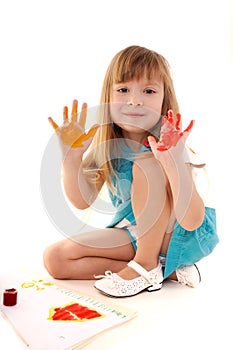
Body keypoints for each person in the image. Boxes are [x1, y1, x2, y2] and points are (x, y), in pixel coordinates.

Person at [43, 45, 219, 297]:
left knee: (147, 164)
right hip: (136, 233)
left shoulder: (171, 148)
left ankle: (146, 265)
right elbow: (82, 201)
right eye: (123, 89)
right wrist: (71, 159)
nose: (134, 100)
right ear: (109, 97)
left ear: (163, 100)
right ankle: (167, 271)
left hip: (179, 235)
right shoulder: (108, 149)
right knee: (55, 259)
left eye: (148, 91)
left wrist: (174, 162)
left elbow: (192, 220)